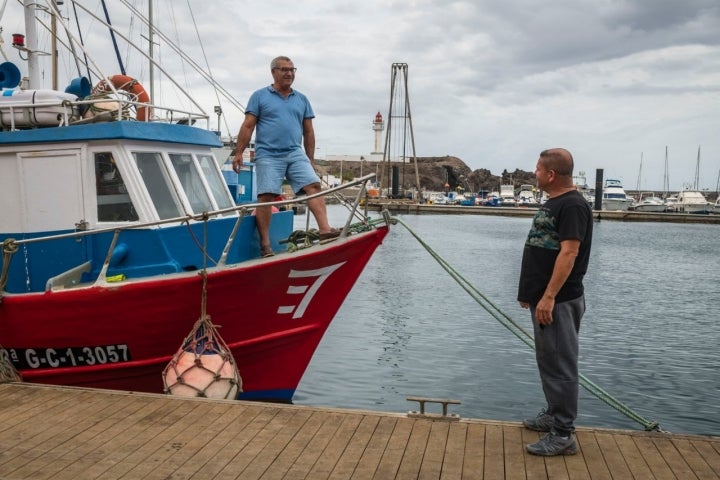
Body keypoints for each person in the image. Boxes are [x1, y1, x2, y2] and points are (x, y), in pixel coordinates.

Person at [517, 148, 593, 456]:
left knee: (561, 364)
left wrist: (548, 296)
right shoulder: (556, 202)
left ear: (551, 174)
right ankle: (553, 413)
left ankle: (563, 434)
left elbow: (569, 253)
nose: (533, 174)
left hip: (559, 301)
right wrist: (530, 295)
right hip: (546, 299)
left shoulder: (573, 205)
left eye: (537, 169)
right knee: (549, 360)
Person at [232, 55, 339, 257]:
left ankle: (325, 230)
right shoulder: (259, 96)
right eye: (284, 69)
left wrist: (310, 159)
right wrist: (238, 153)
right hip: (268, 154)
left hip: (294, 152)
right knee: (266, 196)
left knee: (313, 186)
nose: (289, 73)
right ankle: (265, 244)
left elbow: (309, 131)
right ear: (273, 72)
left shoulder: (302, 99)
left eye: (292, 69)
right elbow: (248, 125)